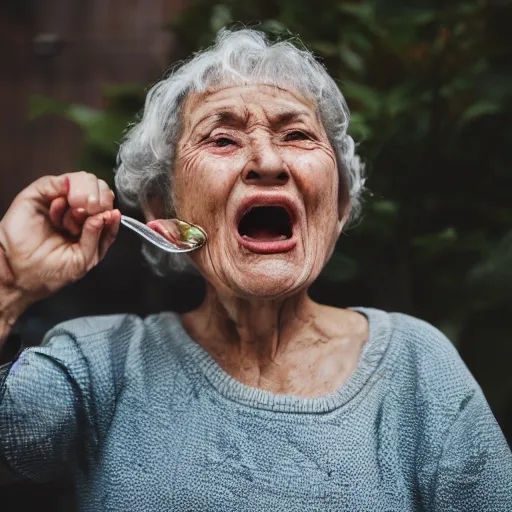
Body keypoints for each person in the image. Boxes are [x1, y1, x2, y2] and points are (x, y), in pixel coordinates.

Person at [0, 29, 510, 511]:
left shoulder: (417, 366)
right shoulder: (101, 365)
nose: (267, 160)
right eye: (222, 139)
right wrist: (8, 283)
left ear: (336, 208)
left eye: (296, 135)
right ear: (162, 213)